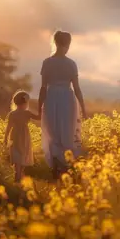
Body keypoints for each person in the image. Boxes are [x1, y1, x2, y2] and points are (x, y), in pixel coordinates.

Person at [38, 30, 86, 181]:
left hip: (51, 98)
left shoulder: (47, 62)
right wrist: (83, 108)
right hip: (67, 99)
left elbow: (43, 87)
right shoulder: (71, 64)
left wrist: (39, 107)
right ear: (67, 44)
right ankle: (64, 170)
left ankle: (56, 170)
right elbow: (77, 88)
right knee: (67, 133)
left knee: (53, 133)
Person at [3, 91, 40, 183]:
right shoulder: (26, 113)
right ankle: (18, 176)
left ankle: (18, 175)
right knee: (23, 155)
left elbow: (8, 128)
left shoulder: (13, 114)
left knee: (17, 157)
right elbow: (39, 117)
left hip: (15, 135)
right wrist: (42, 107)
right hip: (24, 136)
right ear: (26, 102)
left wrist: (6, 137)